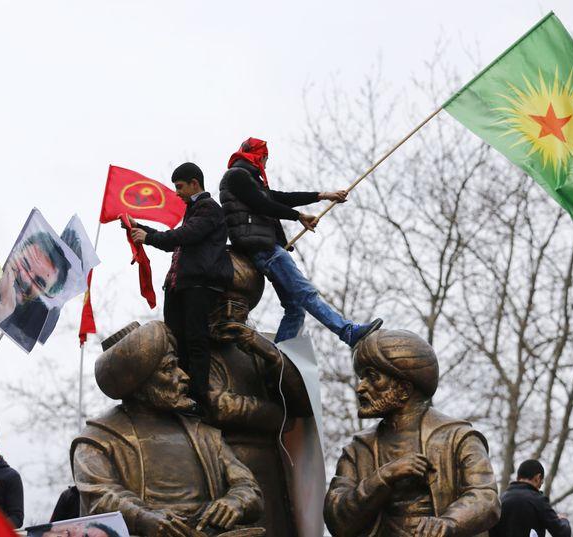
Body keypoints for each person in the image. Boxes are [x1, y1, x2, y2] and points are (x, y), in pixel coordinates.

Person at [71, 321, 265, 536]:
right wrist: (143, 518)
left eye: (177, 365)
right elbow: (99, 498)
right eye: (168, 369)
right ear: (139, 385)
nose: (184, 376)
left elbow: (250, 488)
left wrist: (237, 501)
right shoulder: (97, 440)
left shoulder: (205, 435)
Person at [324, 330, 500, 537]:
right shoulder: (358, 450)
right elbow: (337, 519)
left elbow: (486, 498)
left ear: (404, 389)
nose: (360, 388)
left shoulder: (457, 438)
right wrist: (385, 476)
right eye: (362, 378)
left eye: (372, 378)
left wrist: (448, 523)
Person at [219, 137, 382, 346]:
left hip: (264, 247)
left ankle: (278, 356)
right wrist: (298, 216)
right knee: (305, 293)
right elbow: (263, 205)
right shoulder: (237, 176)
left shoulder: (248, 179)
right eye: (266, 159)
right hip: (264, 249)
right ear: (260, 157)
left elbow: (281, 198)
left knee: (295, 308)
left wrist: (323, 195)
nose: (266, 165)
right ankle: (348, 331)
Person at [206, 250, 313, 536]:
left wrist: (271, 353)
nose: (229, 314)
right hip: (212, 463)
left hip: (267, 465)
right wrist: (277, 415)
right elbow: (219, 406)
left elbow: (302, 404)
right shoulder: (193, 347)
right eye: (220, 304)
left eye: (238, 306)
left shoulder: (259, 349)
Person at [128, 162, 233, 410]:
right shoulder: (195, 210)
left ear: (194, 184)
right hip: (182, 285)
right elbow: (178, 237)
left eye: (179, 187)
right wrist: (139, 227)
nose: (177, 192)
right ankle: (182, 393)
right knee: (178, 342)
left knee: (196, 340)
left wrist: (148, 237)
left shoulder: (208, 208)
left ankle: (198, 398)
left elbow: (184, 236)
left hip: (199, 284)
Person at [0, 231, 70, 351]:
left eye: (39, 282)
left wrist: (4, 313)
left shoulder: (24, 333)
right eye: (25, 264)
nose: (26, 279)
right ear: (15, 253)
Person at [489, 460, 571, 537]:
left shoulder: (500, 500)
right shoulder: (538, 500)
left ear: (518, 478)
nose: (539, 488)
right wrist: (563, 520)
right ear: (538, 478)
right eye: (541, 484)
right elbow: (562, 533)